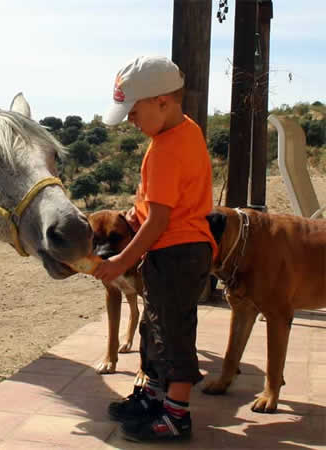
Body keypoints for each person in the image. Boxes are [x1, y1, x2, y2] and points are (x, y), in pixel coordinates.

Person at [93, 55, 217, 442]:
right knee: (154, 326)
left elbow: (159, 221)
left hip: (176, 251)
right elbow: (163, 203)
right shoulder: (186, 131)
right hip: (182, 248)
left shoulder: (163, 150)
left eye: (133, 112)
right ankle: (149, 397)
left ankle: (176, 416)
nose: (130, 121)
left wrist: (121, 261)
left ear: (162, 101)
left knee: (174, 332)